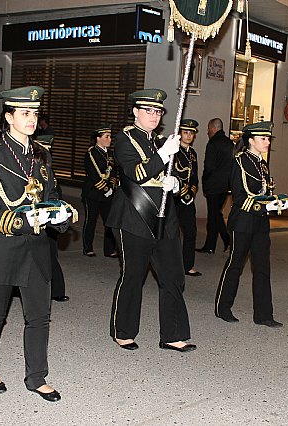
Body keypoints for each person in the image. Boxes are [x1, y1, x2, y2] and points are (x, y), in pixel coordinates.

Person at [0, 86, 73, 402]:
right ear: (8, 116)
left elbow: (50, 193)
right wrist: (19, 221)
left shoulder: (42, 154)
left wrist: (60, 214)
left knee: (39, 315)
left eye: (35, 113)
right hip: (0, 244)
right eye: (25, 113)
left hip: (35, 248)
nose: (32, 119)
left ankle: (37, 377)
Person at [106, 89, 196, 352]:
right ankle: (123, 330)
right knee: (134, 275)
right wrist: (163, 154)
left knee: (173, 276)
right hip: (134, 216)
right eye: (149, 110)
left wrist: (176, 183)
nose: (154, 115)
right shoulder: (124, 138)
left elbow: (165, 176)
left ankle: (173, 334)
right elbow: (137, 172)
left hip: (164, 216)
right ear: (135, 111)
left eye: (158, 111)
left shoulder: (156, 141)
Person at [214, 121, 288, 328]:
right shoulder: (239, 162)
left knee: (263, 267)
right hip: (243, 222)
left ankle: (264, 315)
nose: (267, 142)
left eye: (268, 139)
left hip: (260, 223)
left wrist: (275, 202)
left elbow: (263, 192)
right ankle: (223, 307)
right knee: (235, 264)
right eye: (263, 139)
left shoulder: (261, 163)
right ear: (251, 141)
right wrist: (265, 207)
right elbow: (240, 197)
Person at [35, 135, 69, 302]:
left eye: (49, 148)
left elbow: (55, 190)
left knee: (50, 254)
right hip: (36, 216)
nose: (47, 151)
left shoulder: (47, 167)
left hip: (49, 216)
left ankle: (56, 291)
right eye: (43, 147)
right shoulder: (33, 165)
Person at [81, 125, 118, 257]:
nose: (109, 139)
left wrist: (112, 186)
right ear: (98, 138)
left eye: (110, 136)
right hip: (93, 192)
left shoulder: (111, 154)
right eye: (106, 137)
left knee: (109, 221)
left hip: (108, 193)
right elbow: (94, 174)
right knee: (91, 220)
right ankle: (87, 248)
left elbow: (114, 172)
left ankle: (109, 250)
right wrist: (106, 188)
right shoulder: (91, 153)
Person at [198, 118, 232, 254]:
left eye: (208, 129)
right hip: (225, 185)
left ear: (213, 128)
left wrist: (205, 182)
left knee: (213, 216)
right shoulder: (229, 143)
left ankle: (211, 245)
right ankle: (225, 240)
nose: (207, 132)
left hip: (213, 185)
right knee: (216, 214)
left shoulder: (213, 143)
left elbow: (209, 167)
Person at [173, 118, 201, 276]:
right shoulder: (174, 151)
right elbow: (172, 173)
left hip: (188, 199)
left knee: (191, 232)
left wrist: (192, 192)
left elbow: (194, 176)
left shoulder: (193, 154)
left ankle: (187, 265)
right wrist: (183, 192)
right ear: (180, 133)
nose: (189, 135)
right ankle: (170, 264)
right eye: (186, 132)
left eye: (191, 133)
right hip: (175, 198)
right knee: (171, 234)